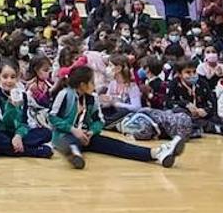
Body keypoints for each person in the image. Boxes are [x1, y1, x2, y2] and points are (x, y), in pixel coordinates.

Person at [50, 66, 183, 169]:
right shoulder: (65, 94)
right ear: (83, 85)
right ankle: (74, 154)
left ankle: (157, 153)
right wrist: (73, 130)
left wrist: (91, 132)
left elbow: (99, 121)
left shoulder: (93, 99)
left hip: (86, 137)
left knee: (118, 146)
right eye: (92, 82)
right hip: (65, 135)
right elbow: (52, 118)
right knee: (69, 141)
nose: (94, 85)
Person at [0, 60, 52, 157]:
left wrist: (18, 135)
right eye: (5, 77)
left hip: (17, 133)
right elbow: (4, 121)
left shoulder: (23, 94)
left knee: (47, 133)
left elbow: (24, 122)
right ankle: (31, 151)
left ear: (18, 78)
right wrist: (11, 106)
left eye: (13, 77)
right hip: (0, 130)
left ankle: (1, 149)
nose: (9, 81)